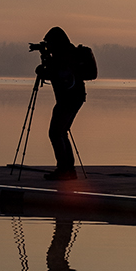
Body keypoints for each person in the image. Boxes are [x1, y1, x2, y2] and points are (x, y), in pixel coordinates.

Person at [33, 25, 87, 180]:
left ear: (55, 42)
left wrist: (41, 69)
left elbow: (54, 74)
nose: (47, 45)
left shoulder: (63, 56)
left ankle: (64, 170)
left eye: (48, 42)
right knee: (61, 132)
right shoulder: (65, 53)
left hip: (69, 99)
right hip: (74, 98)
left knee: (55, 133)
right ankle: (68, 169)